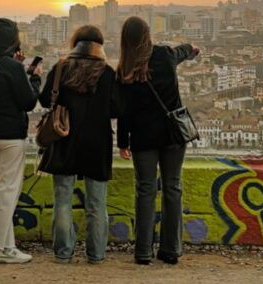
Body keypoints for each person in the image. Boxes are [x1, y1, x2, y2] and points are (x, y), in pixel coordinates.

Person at [116, 16, 199, 265]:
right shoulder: (164, 55)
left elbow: (124, 112)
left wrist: (122, 142)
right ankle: (171, 250)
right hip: (172, 135)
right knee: (173, 188)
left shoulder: (124, 69)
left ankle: (143, 252)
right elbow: (182, 51)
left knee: (145, 191)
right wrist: (192, 50)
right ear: (147, 35)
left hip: (143, 138)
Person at [38, 25, 118, 264]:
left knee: (62, 199)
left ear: (75, 43)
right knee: (97, 203)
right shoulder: (106, 73)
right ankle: (96, 253)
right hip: (97, 141)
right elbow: (117, 109)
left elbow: (44, 100)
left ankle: (63, 252)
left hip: (64, 139)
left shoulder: (61, 68)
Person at [0, 18, 41, 264]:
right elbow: (28, 102)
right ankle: (5, 248)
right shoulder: (12, 68)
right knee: (7, 190)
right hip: (11, 135)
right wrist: (33, 78)